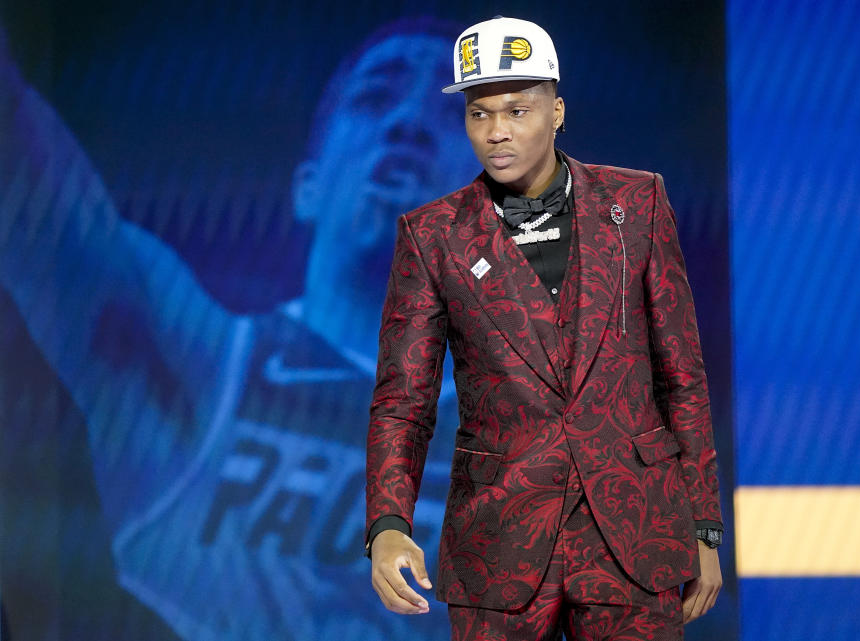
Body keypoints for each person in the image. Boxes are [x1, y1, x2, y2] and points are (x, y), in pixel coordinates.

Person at [0, 17, 472, 641]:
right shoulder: (197, 363)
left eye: (452, 113)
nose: (407, 123)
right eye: (376, 96)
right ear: (308, 188)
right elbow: (18, 160)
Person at [366, 16, 723, 640]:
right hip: (499, 539)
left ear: (557, 111)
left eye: (516, 110)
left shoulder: (637, 205)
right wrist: (387, 523)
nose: (496, 133)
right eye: (478, 115)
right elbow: (404, 400)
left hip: (634, 530)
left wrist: (704, 527)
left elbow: (682, 376)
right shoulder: (434, 236)